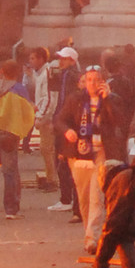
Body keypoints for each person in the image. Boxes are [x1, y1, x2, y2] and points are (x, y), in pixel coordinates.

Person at [55, 65, 128, 254]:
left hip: (101, 152)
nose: (92, 83)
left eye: (96, 79)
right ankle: (90, 232)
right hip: (79, 153)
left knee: (97, 196)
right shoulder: (76, 100)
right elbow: (60, 120)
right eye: (89, 79)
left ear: (103, 82)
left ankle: (92, 239)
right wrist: (68, 131)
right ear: (83, 81)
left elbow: (120, 122)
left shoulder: (114, 100)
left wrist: (108, 100)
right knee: (84, 198)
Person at [0, 60, 34, 220]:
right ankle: (11, 209)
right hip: (9, 134)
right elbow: (27, 110)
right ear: (17, 73)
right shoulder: (19, 89)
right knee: (10, 171)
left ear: (2, 71)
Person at [49, 46, 82, 217]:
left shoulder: (71, 76)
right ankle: (67, 198)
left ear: (71, 60)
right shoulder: (65, 75)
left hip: (67, 124)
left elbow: (66, 102)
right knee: (63, 161)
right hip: (64, 121)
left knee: (64, 161)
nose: (60, 61)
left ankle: (66, 198)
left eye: (64, 58)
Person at [28, 47, 58, 190]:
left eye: (33, 58)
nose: (30, 61)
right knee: (46, 149)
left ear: (41, 59)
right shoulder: (38, 74)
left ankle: (52, 180)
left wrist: (41, 116)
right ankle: (50, 176)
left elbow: (49, 98)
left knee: (47, 148)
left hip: (47, 117)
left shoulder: (47, 73)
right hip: (43, 114)